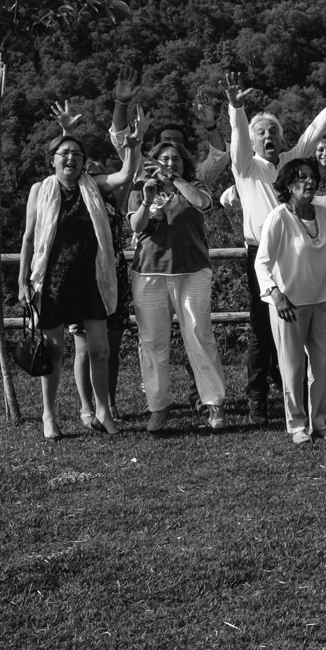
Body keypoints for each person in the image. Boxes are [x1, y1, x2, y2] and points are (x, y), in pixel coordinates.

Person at [227, 69, 326, 424]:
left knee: (304, 334)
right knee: (261, 330)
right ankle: (258, 402)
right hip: (262, 257)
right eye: (261, 132)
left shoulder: (291, 164)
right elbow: (237, 141)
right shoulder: (246, 167)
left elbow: (314, 132)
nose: (269, 136)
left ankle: (307, 408)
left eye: (274, 131)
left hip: (302, 253)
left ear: (283, 138)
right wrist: (236, 110)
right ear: (252, 142)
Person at [19, 124, 138, 439]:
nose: (71, 158)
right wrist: (22, 280)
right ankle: (49, 415)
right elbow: (29, 239)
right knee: (54, 350)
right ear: (53, 160)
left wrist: (133, 147)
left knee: (100, 350)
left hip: (91, 278)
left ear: (84, 161)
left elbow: (125, 175)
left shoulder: (93, 185)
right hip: (53, 278)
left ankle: (102, 412)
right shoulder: (39, 190)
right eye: (64, 153)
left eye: (76, 154)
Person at [127, 138, 227, 432]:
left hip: (192, 270)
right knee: (152, 341)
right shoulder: (140, 188)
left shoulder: (194, 186)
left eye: (175, 159)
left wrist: (177, 181)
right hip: (150, 273)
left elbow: (203, 204)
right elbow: (137, 226)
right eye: (164, 159)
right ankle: (158, 406)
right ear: (154, 162)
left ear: (184, 164)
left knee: (198, 334)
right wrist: (147, 198)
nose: (169, 163)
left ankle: (214, 403)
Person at [255, 156, 326, 444]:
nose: (308, 181)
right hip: (288, 305)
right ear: (288, 184)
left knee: (321, 366)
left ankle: (320, 422)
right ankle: (296, 425)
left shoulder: (323, 214)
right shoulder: (279, 216)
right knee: (292, 367)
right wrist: (275, 294)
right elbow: (262, 262)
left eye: (311, 176)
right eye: (300, 177)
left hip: (321, 301)